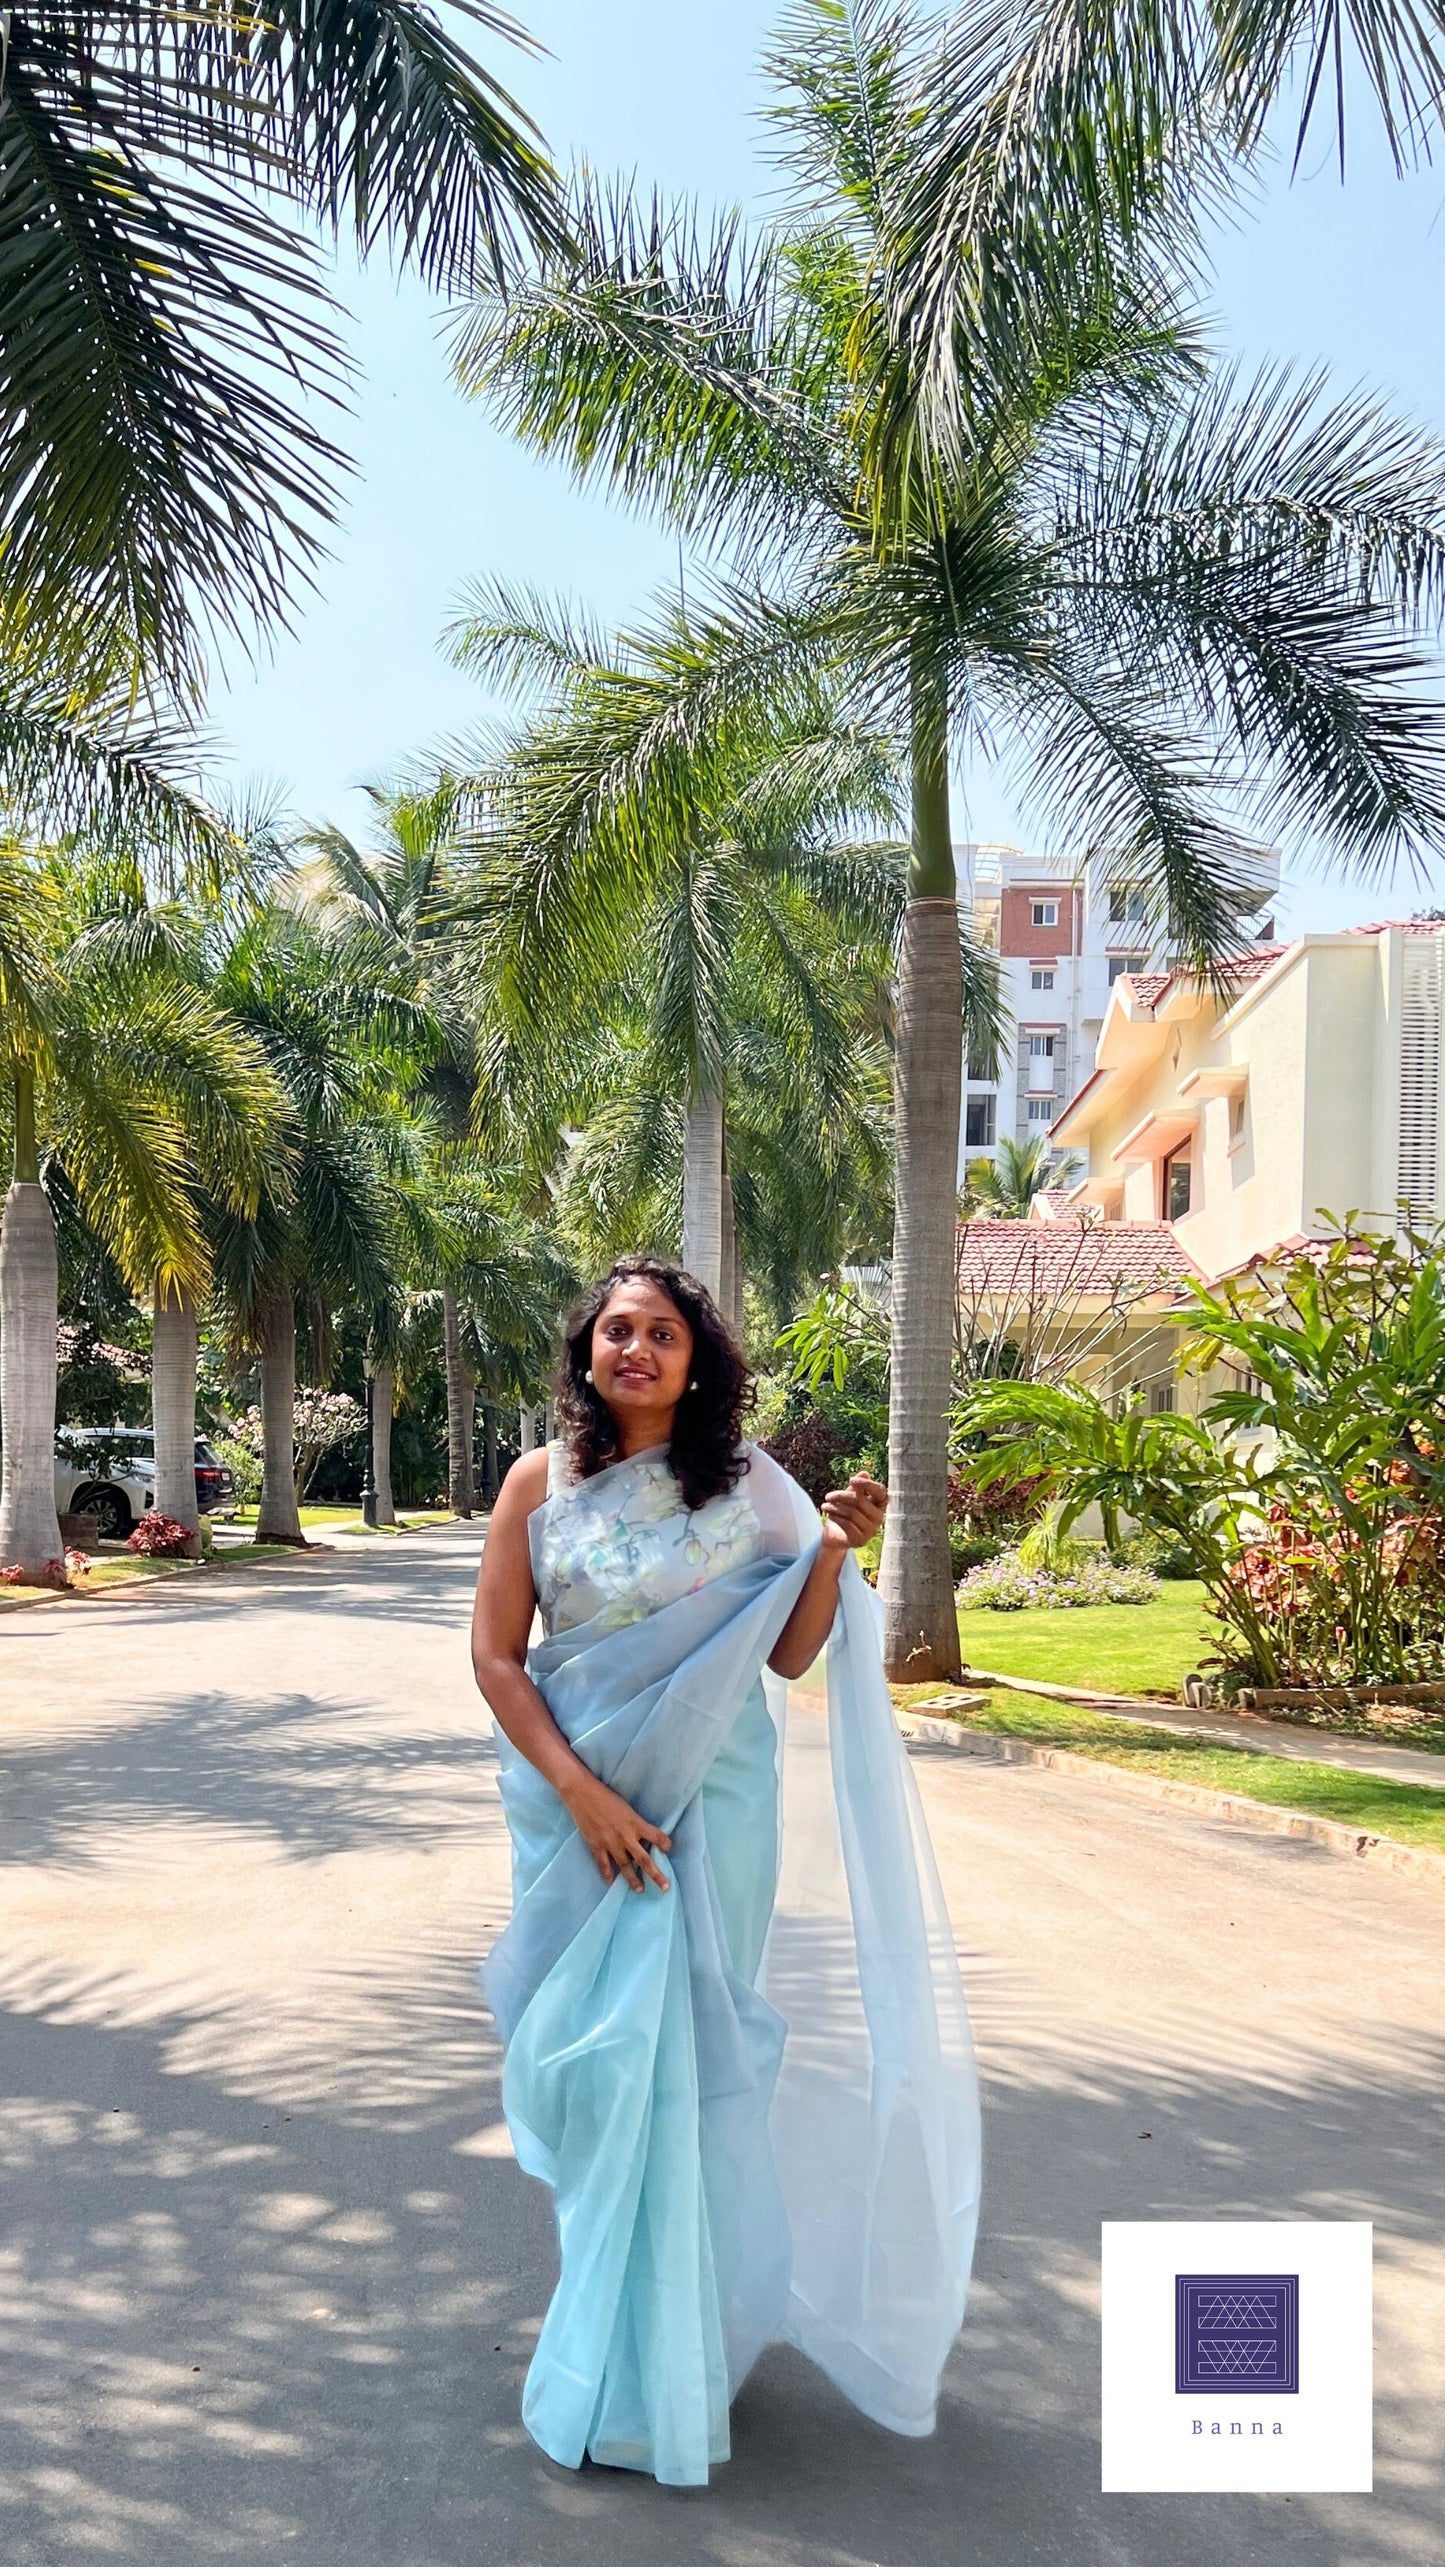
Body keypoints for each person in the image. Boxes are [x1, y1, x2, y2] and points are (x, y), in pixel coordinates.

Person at [471, 1255, 981, 2486]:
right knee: (594, 2075)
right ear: (587, 1352)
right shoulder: (538, 1483)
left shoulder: (754, 1488)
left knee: (686, 2069)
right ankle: (611, 2339)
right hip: (576, 1818)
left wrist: (834, 1549)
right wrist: (584, 1795)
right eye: (615, 1329)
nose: (634, 1347)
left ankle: (667, 2360)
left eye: (661, 1332)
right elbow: (496, 1658)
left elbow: (794, 1658)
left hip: (713, 1812)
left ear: (697, 1361)